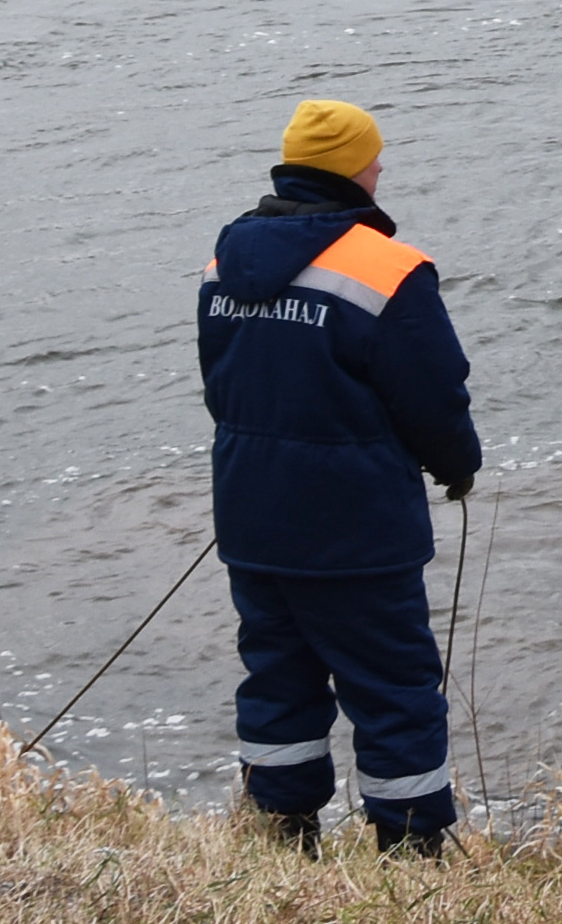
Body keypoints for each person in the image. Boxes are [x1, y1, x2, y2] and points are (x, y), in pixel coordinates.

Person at [198, 97, 482, 855]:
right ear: (355, 169)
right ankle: (413, 850)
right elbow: (433, 394)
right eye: (375, 156)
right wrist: (458, 469)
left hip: (251, 514)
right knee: (393, 686)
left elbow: (220, 385)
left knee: (277, 675)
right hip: (356, 528)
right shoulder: (389, 267)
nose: (382, 165)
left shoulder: (225, 258)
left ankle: (282, 833)